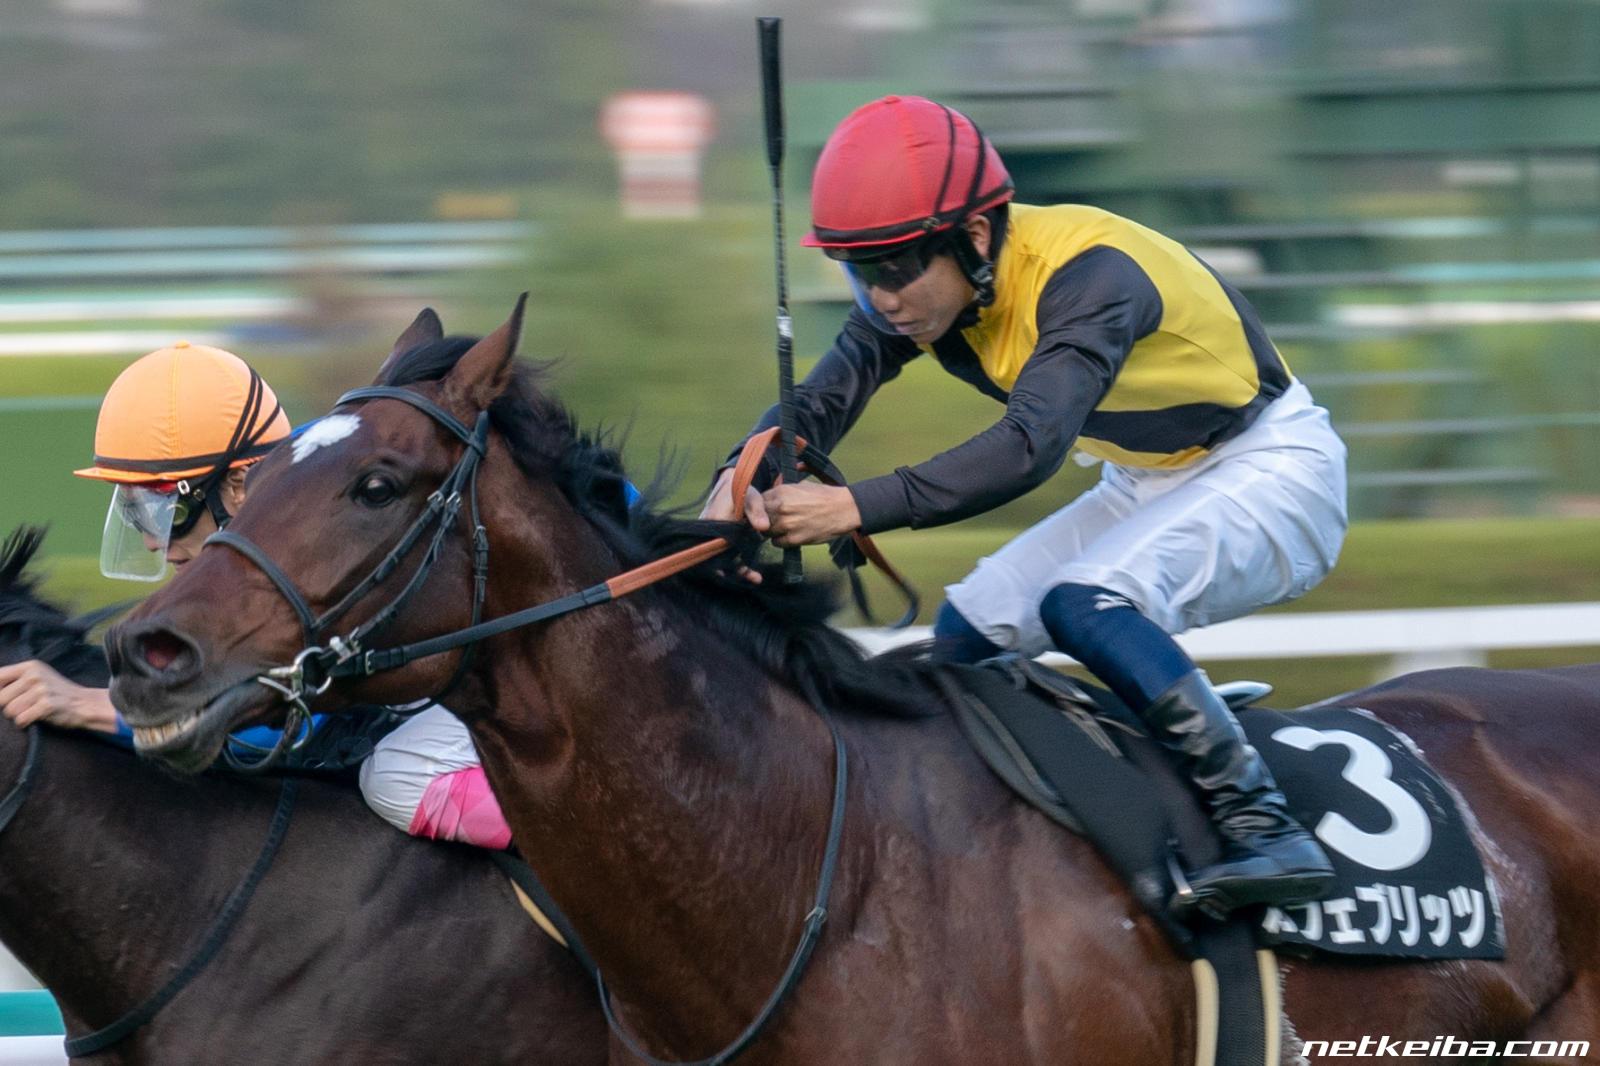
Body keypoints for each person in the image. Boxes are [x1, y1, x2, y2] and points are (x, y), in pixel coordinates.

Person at [702, 95, 1348, 918]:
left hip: (1275, 469)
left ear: (975, 237)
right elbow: (822, 400)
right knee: (966, 638)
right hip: (1149, 477)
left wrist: (852, 507)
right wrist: (741, 478)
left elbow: (1028, 447)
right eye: (858, 272)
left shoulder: (1093, 276)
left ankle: (1265, 824)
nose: (881, 298)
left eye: (895, 270)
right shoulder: (933, 287)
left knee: (1081, 603)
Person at [0, 341, 510, 849]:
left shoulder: (321, 526)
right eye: (139, 514)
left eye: (170, 513)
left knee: (397, 776)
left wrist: (94, 706)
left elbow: (287, 722)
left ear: (239, 485)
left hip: (501, 674)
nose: (154, 542)